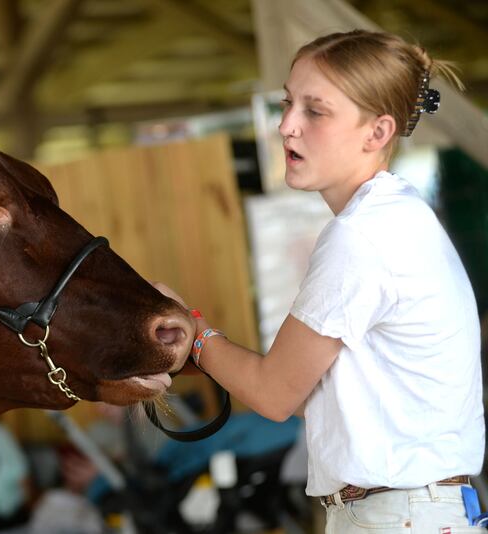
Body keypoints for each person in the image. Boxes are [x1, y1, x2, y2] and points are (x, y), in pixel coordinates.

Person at [154, 29, 485, 533]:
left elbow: (273, 394)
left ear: (376, 133)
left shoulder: (361, 237)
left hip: (397, 518)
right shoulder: (395, 218)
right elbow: (311, 394)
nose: (286, 126)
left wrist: (190, 331)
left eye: (315, 110)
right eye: (288, 104)